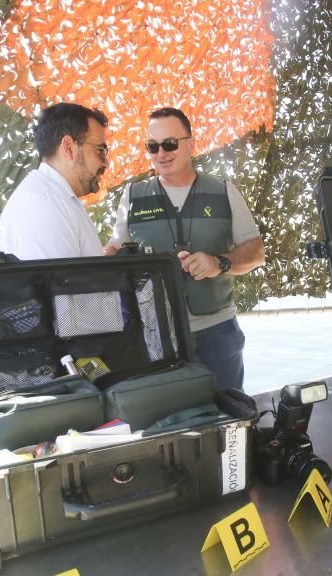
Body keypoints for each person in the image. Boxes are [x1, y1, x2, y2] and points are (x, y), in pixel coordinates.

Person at [104, 107, 265, 391]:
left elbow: (255, 252)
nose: (161, 153)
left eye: (170, 144)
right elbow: (115, 252)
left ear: (191, 143)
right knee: (169, 425)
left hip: (217, 333)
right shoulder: (132, 197)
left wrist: (220, 263)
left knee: (228, 416)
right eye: (152, 147)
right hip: (156, 336)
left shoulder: (224, 191)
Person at [0, 103, 109, 259]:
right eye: (100, 151)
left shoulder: (55, 197)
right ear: (69, 147)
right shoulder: (43, 205)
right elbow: (61, 282)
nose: (105, 163)